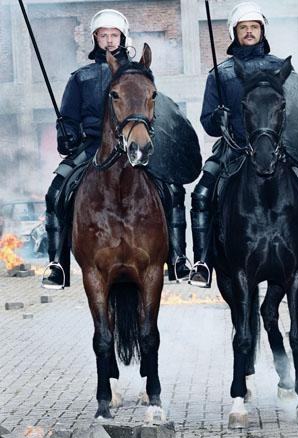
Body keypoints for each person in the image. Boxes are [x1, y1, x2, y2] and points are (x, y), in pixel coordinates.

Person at [42, 9, 190, 289]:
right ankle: (57, 263)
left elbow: (151, 109)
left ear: (123, 37)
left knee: (173, 188)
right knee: (56, 191)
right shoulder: (80, 77)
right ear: (95, 38)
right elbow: (70, 116)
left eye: (114, 35)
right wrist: (67, 134)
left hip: (133, 142)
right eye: (103, 35)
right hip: (92, 146)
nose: (109, 40)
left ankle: (179, 257)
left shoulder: (137, 73)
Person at [190, 1, 298, 288]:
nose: (250, 32)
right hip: (235, 149)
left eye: (254, 27)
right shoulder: (220, 73)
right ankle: (202, 262)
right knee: (202, 194)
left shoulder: (281, 69)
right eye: (244, 28)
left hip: (280, 150)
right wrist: (217, 117)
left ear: (262, 31)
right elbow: (206, 122)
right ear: (235, 32)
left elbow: (296, 111)